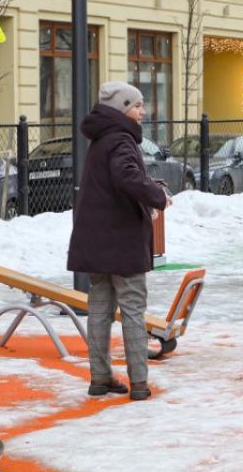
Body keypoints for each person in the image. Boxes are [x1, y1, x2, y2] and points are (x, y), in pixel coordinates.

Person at [67, 81, 171, 401]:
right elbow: (126, 177)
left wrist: (147, 184)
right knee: (132, 308)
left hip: (96, 238)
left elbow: (115, 179)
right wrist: (156, 196)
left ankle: (100, 377)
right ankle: (139, 381)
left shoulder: (102, 139)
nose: (142, 112)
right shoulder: (122, 139)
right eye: (138, 106)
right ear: (123, 108)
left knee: (100, 307)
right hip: (122, 237)